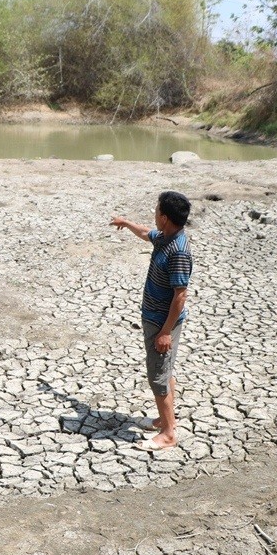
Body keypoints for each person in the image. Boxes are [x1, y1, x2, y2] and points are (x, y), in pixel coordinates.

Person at [110, 191, 193, 451]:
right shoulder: (166, 238)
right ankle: (165, 420)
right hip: (157, 319)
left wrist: (165, 332)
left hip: (162, 322)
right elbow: (147, 233)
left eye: (156, 212)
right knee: (165, 371)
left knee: (157, 375)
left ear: (165, 218)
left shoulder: (178, 251)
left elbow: (180, 295)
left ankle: (168, 434)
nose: (154, 215)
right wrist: (127, 223)